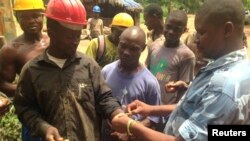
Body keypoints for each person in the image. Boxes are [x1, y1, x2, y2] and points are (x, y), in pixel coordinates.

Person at [111, 0, 250, 140]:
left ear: (227, 30)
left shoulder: (223, 87)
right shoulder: (237, 68)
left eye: (202, 33)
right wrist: (150, 109)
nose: (196, 40)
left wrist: (131, 126)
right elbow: (197, 108)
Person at [14, 0, 123, 141]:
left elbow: (104, 97)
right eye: (69, 36)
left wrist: (116, 113)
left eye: (78, 35)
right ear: (51, 30)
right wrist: (43, 127)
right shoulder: (31, 71)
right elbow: (24, 107)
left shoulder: (89, 65)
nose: (75, 41)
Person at [101, 26, 162, 141]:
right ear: (118, 42)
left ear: (143, 49)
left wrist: (130, 131)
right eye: (123, 46)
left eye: (133, 49)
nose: (126, 52)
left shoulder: (150, 82)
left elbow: (154, 118)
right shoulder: (106, 72)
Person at [0, 0, 49, 97]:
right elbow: (3, 84)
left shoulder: (53, 41)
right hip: (34, 106)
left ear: (43, 17)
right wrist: (32, 91)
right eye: (24, 17)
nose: (31, 21)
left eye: (35, 16)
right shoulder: (10, 50)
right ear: (17, 19)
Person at [147, 10, 195, 105]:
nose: (171, 32)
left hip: (165, 110)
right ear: (164, 24)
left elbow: (183, 89)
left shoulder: (187, 56)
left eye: (177, 29)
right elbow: (146, 70)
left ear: (185, 30)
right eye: (168, 27)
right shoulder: (155, 45)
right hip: (146, 103)